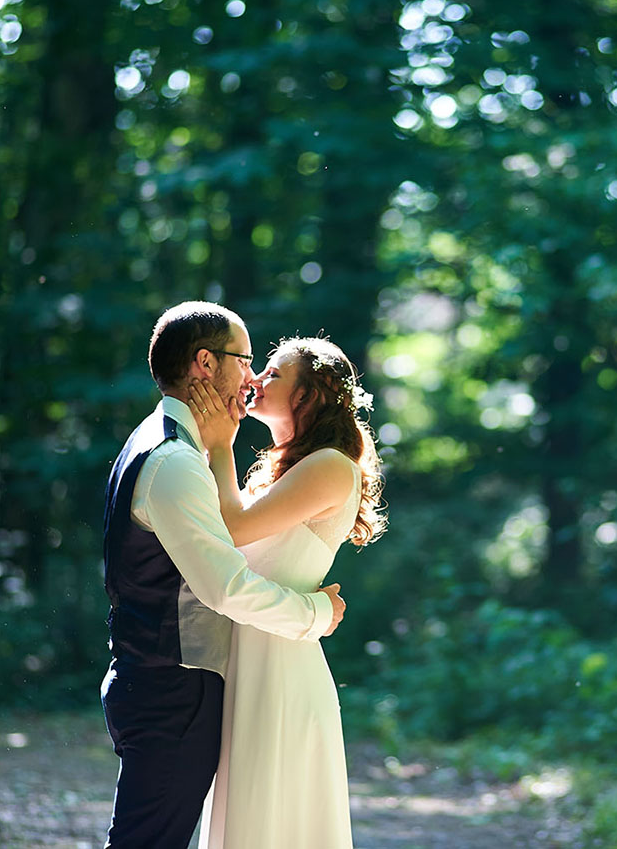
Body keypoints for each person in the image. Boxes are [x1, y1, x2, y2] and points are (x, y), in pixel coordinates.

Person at [100, 303, 346, 849]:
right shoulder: (175, 460)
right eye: (245, 359)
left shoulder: (159, 442)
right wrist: (316, 614)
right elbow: (225, 586)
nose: (252, 376)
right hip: (171, 685)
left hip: (170, 679)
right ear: (206, 364)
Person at [190, 336, 386, 849]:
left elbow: (230, 530)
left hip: (280, 670)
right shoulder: (285, 468)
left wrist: (219, 442)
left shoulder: (330, 466)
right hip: (247, 657)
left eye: (274, 373)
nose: (255, 380)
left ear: (311, 393)